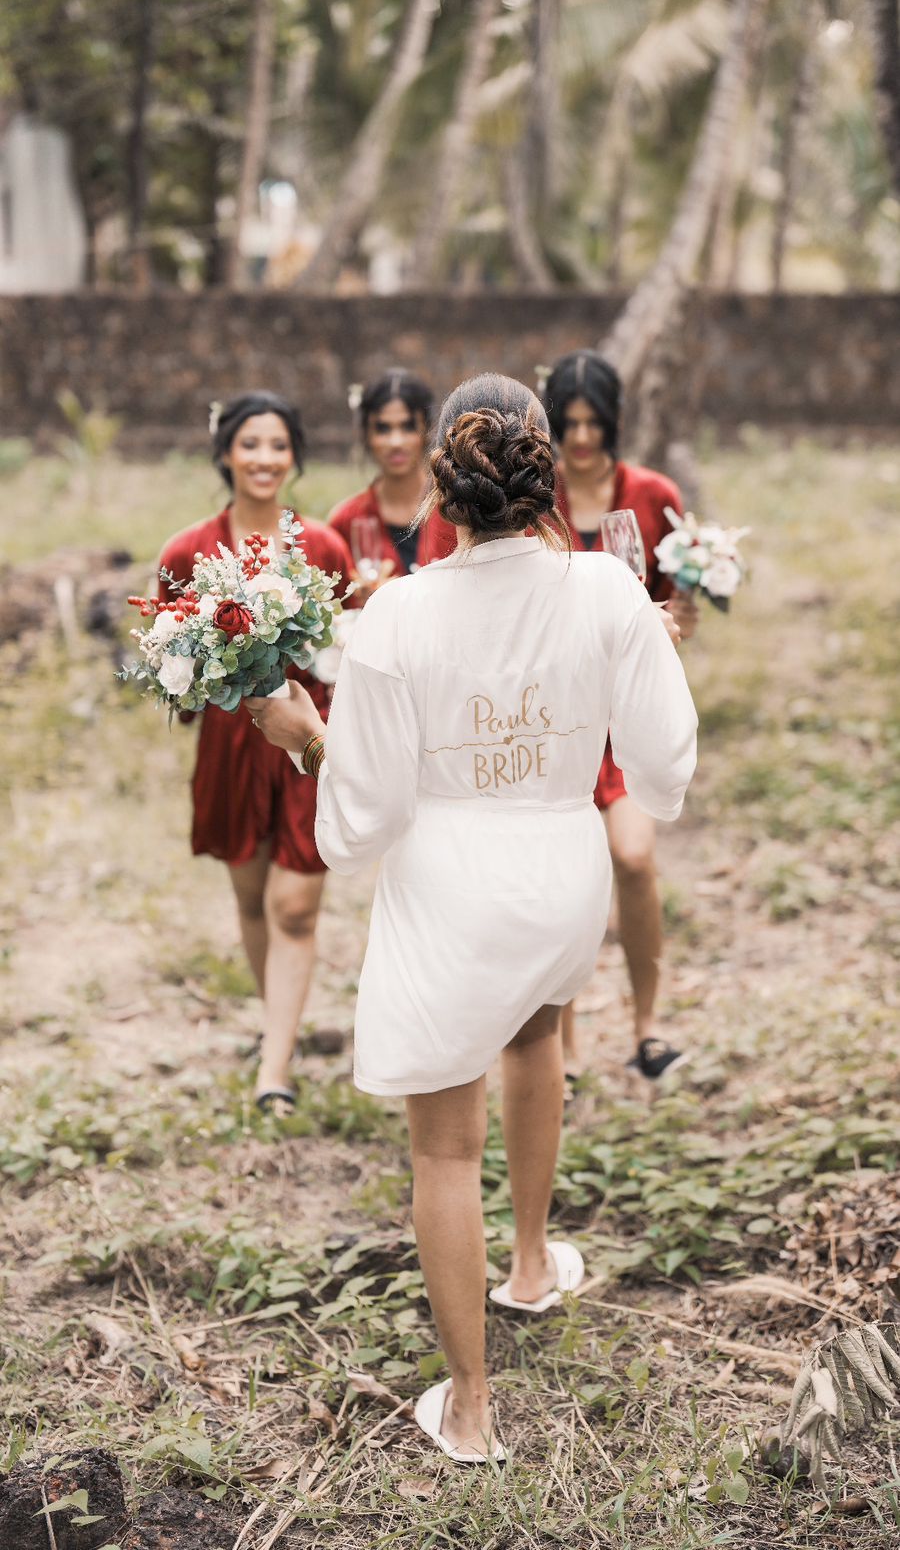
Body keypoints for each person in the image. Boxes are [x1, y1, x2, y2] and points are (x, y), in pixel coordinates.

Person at [247, 374, 697, 1464]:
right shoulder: (604, 589)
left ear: (446, 480)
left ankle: (470, 1401)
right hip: (563, 871)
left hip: (452, 882)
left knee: (445, 1151)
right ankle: (532, 1265)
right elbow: (664, 768)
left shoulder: (399, 611)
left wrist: (307, 737)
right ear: (542, 474)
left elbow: (362, 820)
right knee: (538, 1028)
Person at [157, 391, 353, 1113]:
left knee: (295, 905)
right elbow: (167, 654)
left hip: (306, 735)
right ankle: (283, 1027)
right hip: (232, 745)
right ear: (226, 454)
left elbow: (350, 646)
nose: (265, 458)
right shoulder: (188, 550)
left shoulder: (324, 546)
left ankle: (275, 1070)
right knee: (251, 899)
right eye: (250, 444)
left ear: (295, 455)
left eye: (278, 444)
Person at [543, 350, 698, 1083]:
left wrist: (676, 619)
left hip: (628, 709)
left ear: (614, 422)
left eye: (592, 422)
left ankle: (648, 1024)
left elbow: (676, 604)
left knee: (632, 859)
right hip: (556, 714)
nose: (580, 437)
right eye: (567, 423)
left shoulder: (650, 492)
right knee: (566, 876)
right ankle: (565, 1046)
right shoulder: (532, 498)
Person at [329, 369, 453, 585]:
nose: (396, 442)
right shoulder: (345, 522)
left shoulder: (458, 510)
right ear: (366, 434)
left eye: (408, 427)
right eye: (383, 429)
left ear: (427, 430)